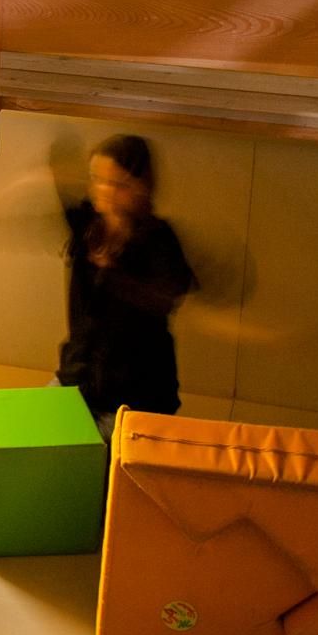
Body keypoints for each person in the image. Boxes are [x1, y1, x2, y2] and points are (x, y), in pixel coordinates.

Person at [57, 134, 199, 423]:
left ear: (140, 186)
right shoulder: (88, 224)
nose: (101, 190)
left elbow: (165, 295)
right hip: (77, 381)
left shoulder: (158, 242)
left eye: (115, 183)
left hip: (135, 399)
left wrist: (113, 272)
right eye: (96, 179)